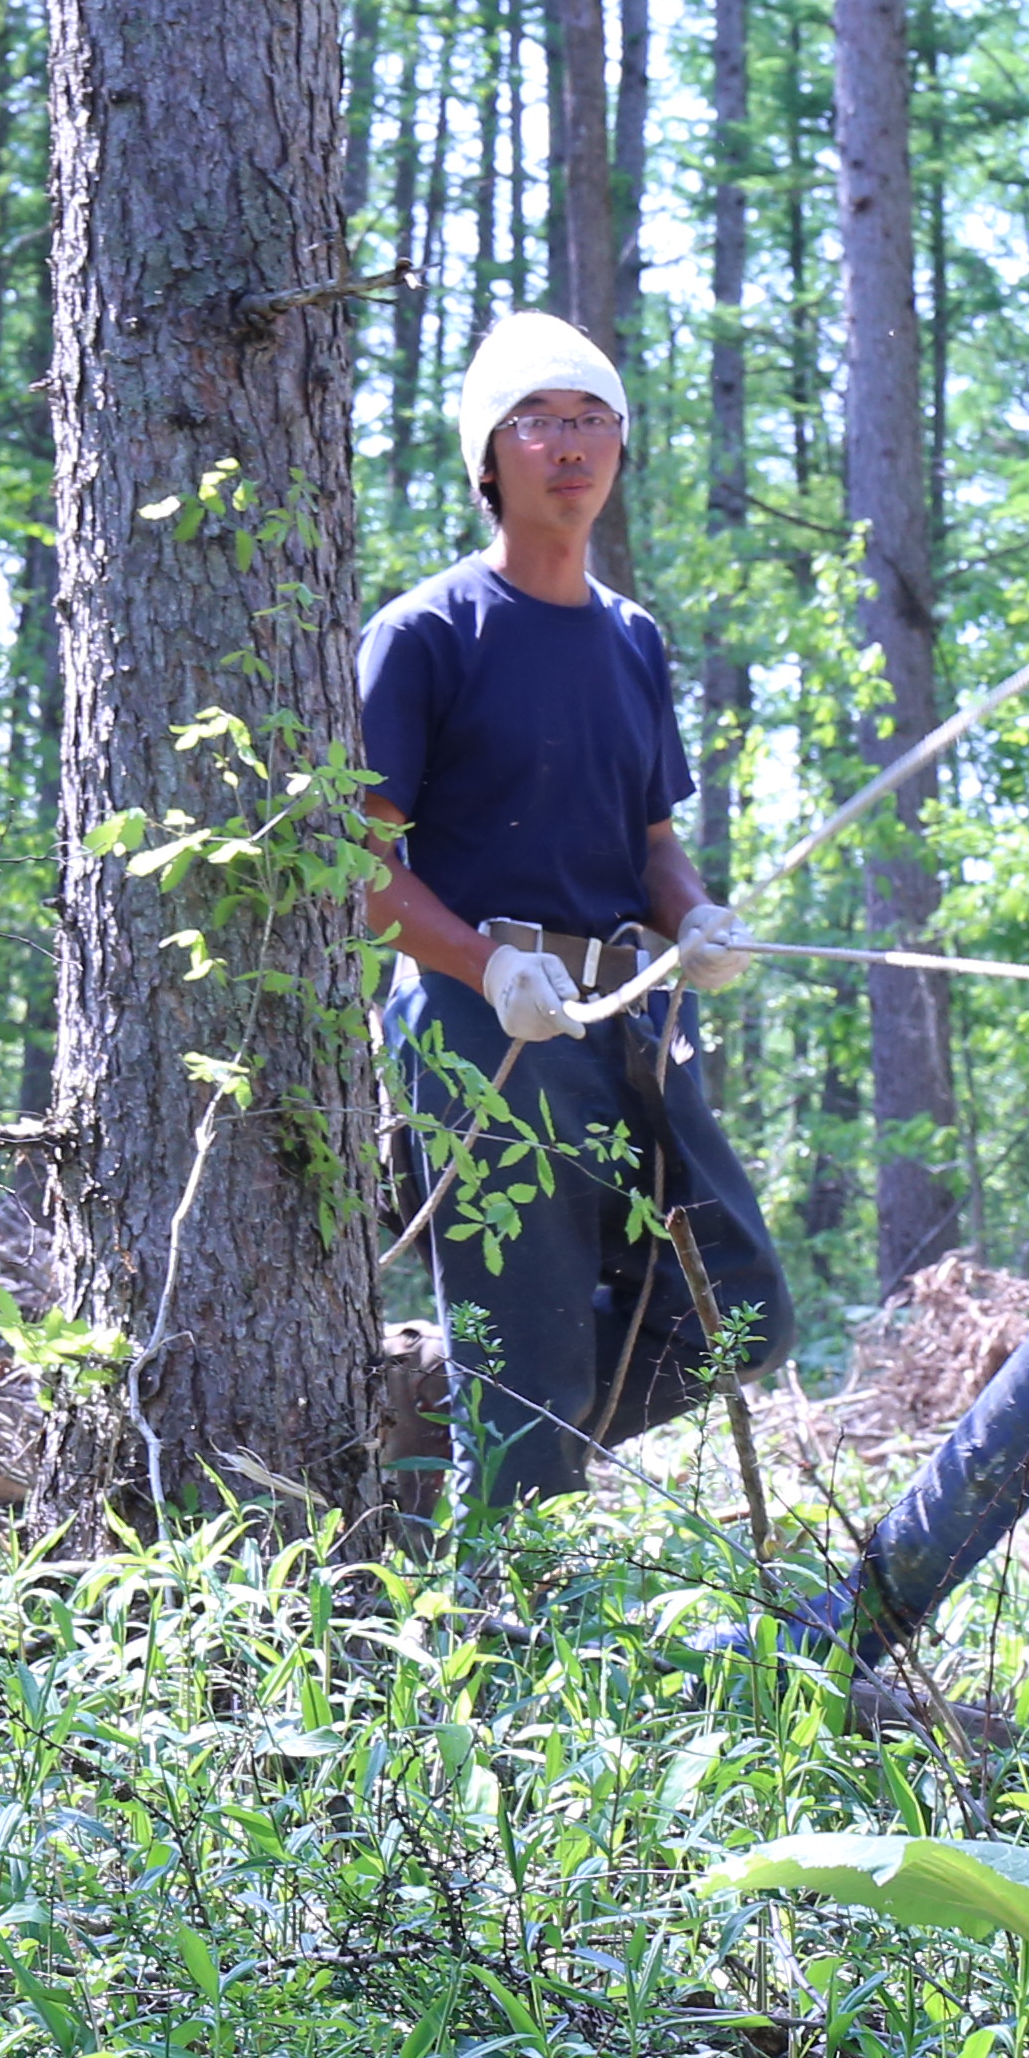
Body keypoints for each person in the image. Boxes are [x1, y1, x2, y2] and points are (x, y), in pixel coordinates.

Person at [360, 312, 799, 1507]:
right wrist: (484, 966)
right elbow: (362, 872)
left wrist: (698, 920)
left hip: (628, 1017)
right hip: (481, 1024)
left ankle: (445, 1408)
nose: (571, 445)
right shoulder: (425, 636)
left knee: (742, 1309)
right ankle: (507, 1615)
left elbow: (652, 844)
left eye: (594, 419)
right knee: (533, 1341)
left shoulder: (633, 642)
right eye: (539, 421)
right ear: (488, 457)